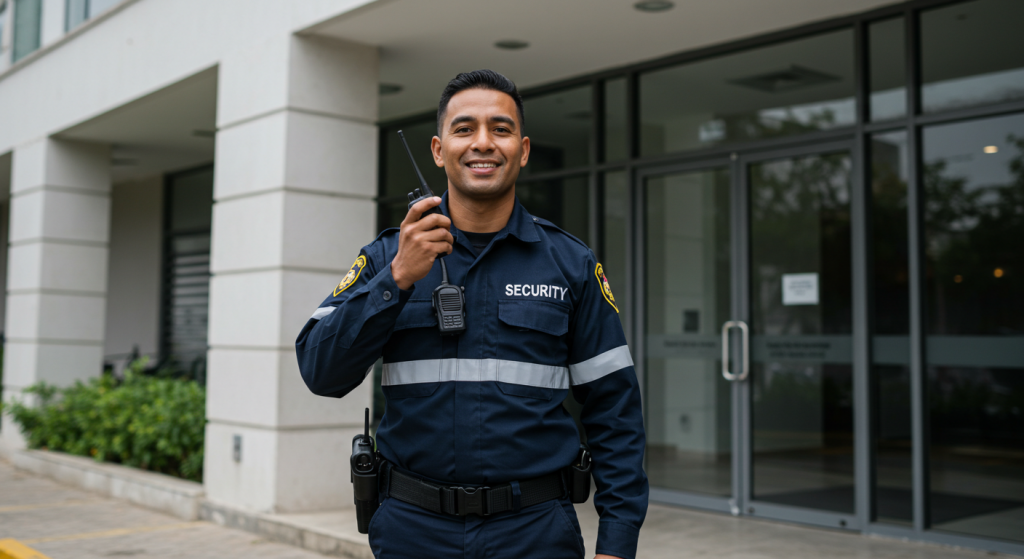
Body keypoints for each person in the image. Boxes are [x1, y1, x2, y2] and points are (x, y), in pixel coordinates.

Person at [296, 69, 648, 559]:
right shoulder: (386, 258)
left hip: (535, 533)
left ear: (523, 150)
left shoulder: (572, 264)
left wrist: (617, 543)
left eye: (500, 129)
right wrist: (396, 279)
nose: (483, 142)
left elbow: (615, 411)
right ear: (439, 150)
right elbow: (320, 372)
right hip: (412, 531)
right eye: (465, 129)